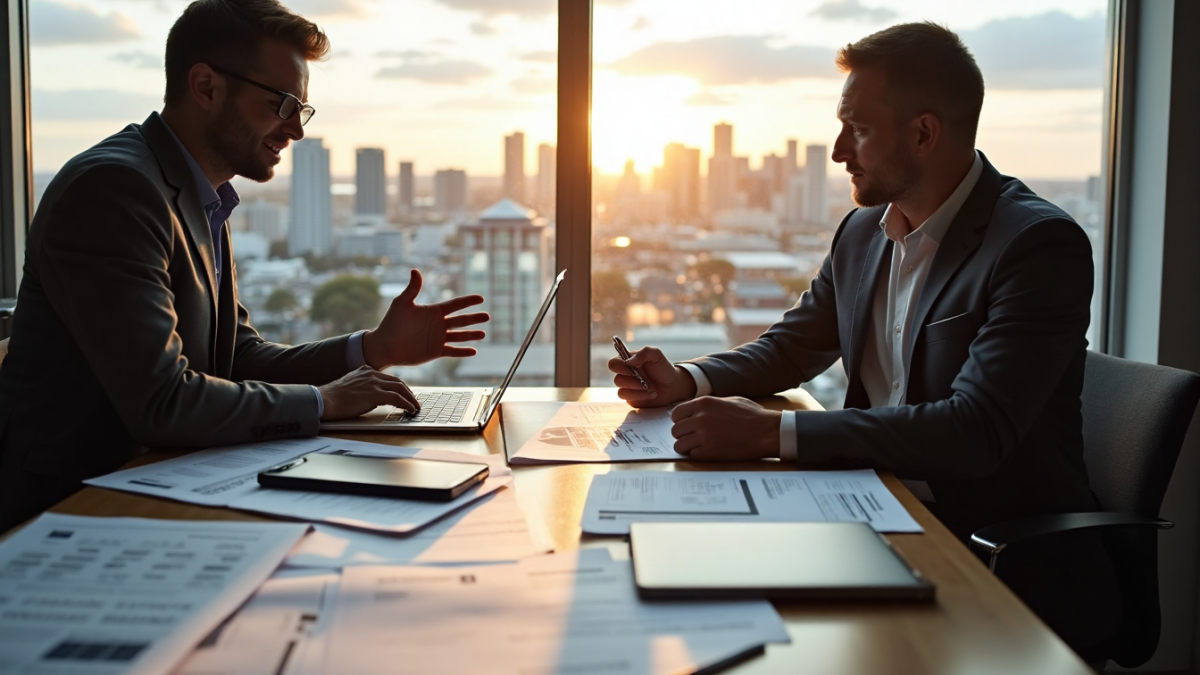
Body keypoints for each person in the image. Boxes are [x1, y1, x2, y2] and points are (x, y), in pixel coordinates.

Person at [609, 22, 1120, 661]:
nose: (837, 151)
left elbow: (975, 430)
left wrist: (771, 435)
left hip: (988, 548)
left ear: (924, 134)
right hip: (868, 509)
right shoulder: (863, 232)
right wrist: (688, 379)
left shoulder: (1034, 246)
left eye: (859, 129)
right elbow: (793, 347)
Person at [0, 0, 488, 531]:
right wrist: (323, 401)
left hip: (155, 486)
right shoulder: (115, 190)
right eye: (282, 104)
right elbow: (162, 402)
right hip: (69, 511)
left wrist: (370, 350)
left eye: (300, 110)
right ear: (206, 87)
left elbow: (236, 356)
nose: (294, 130)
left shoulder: (196, 191)